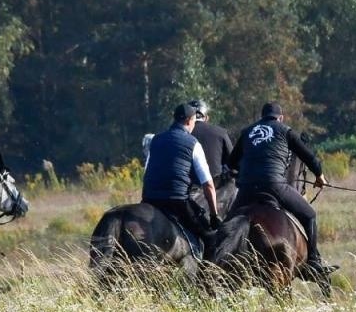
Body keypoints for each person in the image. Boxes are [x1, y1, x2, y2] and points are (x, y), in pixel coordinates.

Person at [231, 102, 336, 280]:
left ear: (261, 117)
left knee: (227, 224)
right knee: (309, 215)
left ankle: (212, 257)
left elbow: (231, 162)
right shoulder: (286, 131)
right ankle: (314, 261)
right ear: (280, 118)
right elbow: (310, 158)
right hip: (275, 185)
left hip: (247, 189)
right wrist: (320, 176)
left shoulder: (247, 132)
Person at [142, 103, 223, 253]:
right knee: (209, 237)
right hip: (177, 201)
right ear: (188, 121)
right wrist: (213, 215)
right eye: (193, 121)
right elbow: (208, 184)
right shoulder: (193, 143)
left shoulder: (155, 140)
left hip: (150, 198)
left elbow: (146, 173)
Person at [187, 98, 235, 204]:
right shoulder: (220, 132)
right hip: (214, 188)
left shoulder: (180, 134)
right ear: (207, 117)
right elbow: (232, 162)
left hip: (185, 187)